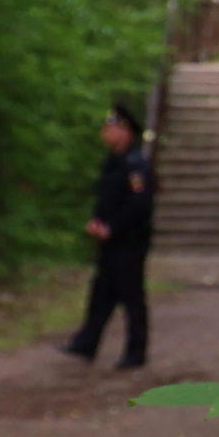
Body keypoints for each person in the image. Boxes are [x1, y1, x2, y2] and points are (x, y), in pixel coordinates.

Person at [62, 104, 155, 369]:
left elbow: (139, 206)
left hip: (129, 241)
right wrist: (97, 221)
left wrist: (112, 227)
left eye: (110, 128)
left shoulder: (135, 165)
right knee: (101, 293)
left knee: (131, 296)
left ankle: (136, 351)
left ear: (125, 131)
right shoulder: (113, 162)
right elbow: (106, 197)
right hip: (110, 240)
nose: (105, 133)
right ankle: (86, 342)